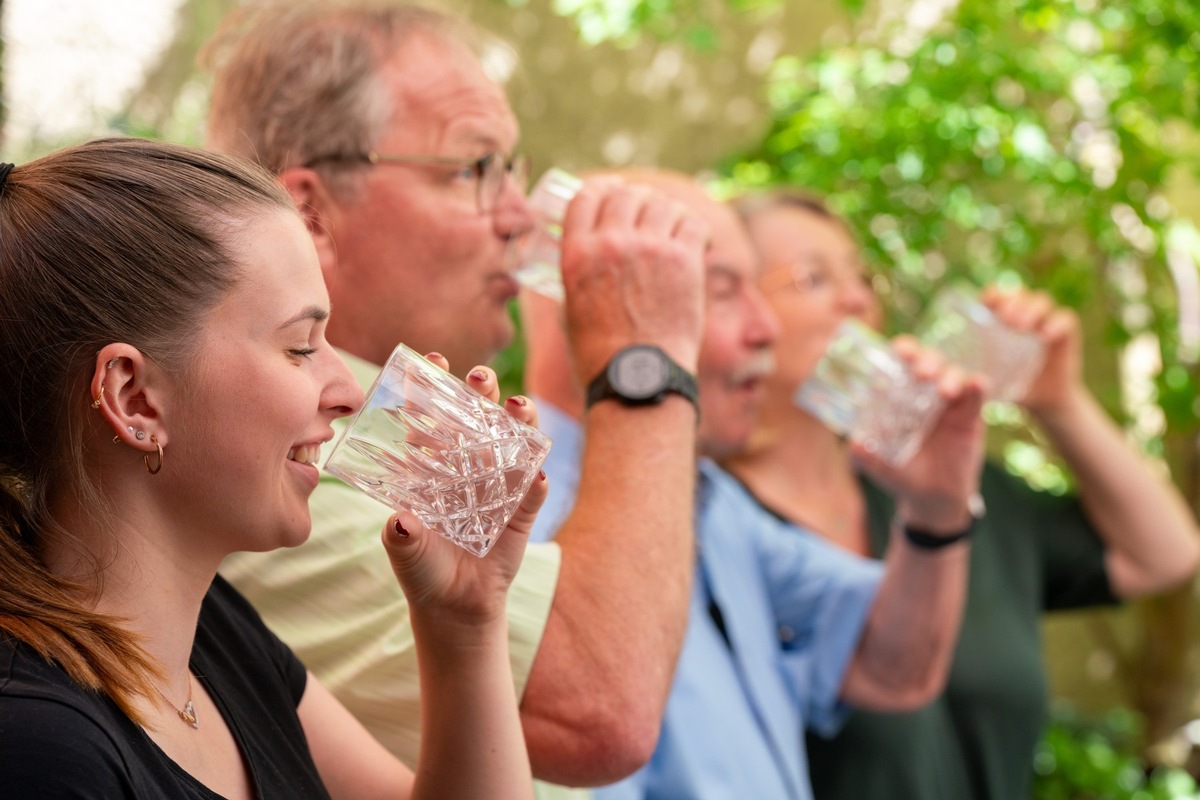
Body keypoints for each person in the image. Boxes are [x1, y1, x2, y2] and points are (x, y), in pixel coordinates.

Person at [204, 3, 709, 794]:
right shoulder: (297, 436)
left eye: (513, 170)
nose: (519, 216)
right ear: (311, 214)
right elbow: (598, 705)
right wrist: (644, 362)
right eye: (476, 170)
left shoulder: (402, 401)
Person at [0, 137, 550, 799]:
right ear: (134, 399)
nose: (347, 389)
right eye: (300, 346)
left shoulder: (218, 636)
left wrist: (464, 623)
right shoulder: (40, 752)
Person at [521, 168, 988, 800]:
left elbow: (889, 667)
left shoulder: (716, 504)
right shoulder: (496, 505)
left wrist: (936, 512)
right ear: (585, 300)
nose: (765, 328)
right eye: (718, 290)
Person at [720, 189, 1200, 800]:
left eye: (861, 276)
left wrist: (1060, 401)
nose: (858, 298)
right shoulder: (712, 525)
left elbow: (1164, 555)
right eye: (813, 278)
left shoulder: (956, 492)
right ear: (734, 312)